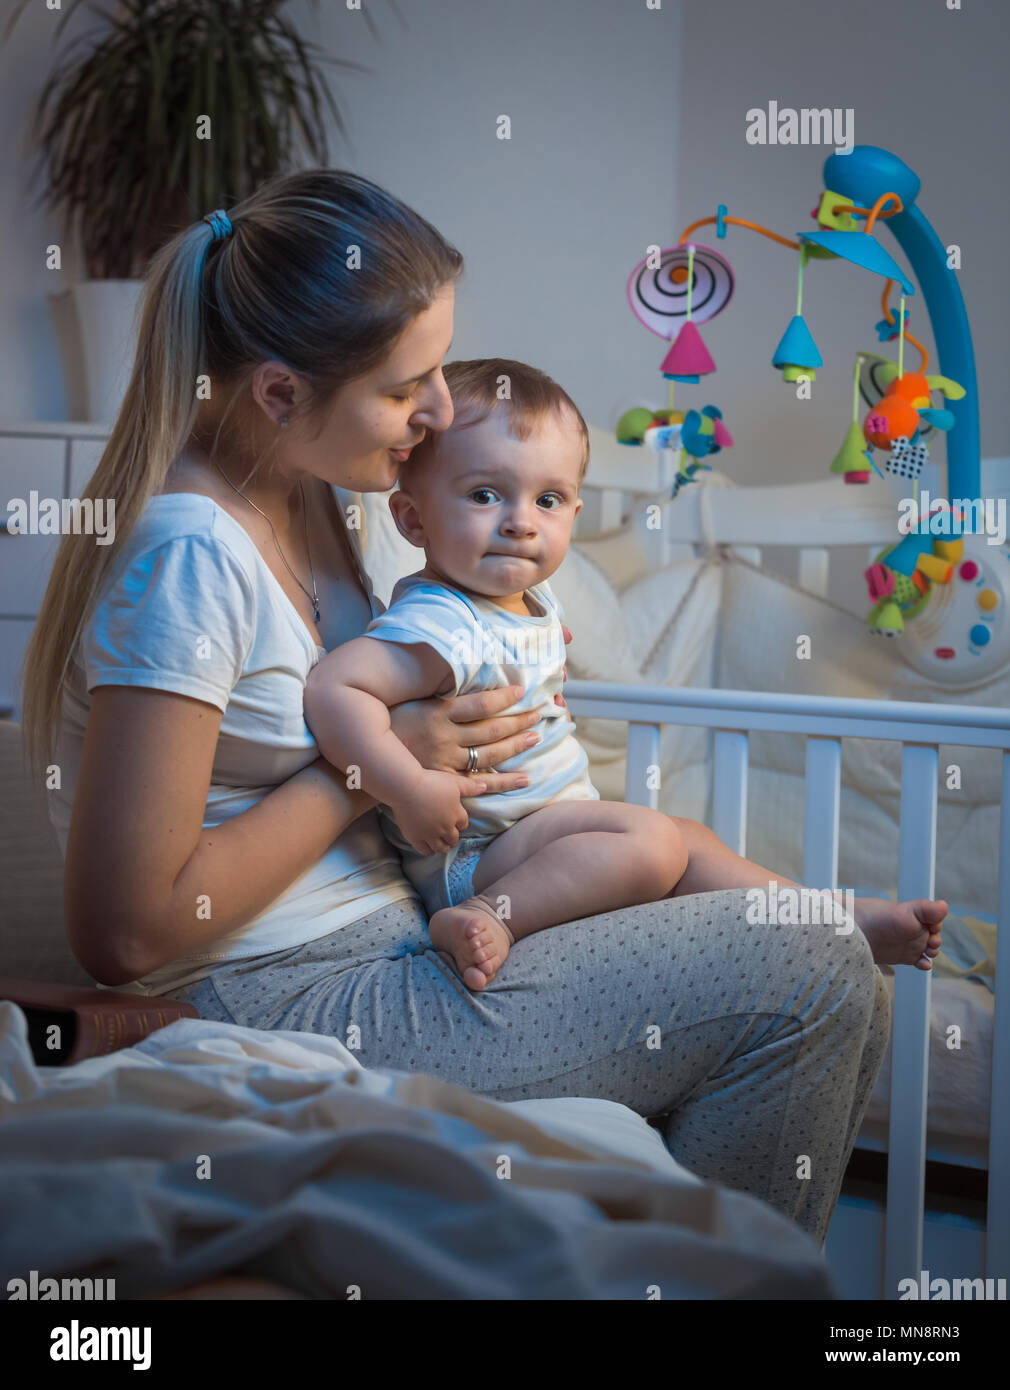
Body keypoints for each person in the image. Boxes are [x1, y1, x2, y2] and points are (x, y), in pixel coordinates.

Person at [21, 168, 907, 1247]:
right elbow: (122, 931)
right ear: (278, 395)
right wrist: (369, 765)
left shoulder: (305, 497)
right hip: (275, 995)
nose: (440, 410)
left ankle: (677, 1265)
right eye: (408, 387)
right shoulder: (192, 555)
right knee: (806, 973)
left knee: (831, 962)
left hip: (402, 938)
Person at [304, 357, 946, 992]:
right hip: (474, 855)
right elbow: (335, 688)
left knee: (687, 839)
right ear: (413, 518)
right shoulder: (440, 623)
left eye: (547, 499)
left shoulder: (529, 604)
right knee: (654, 845)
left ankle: (832, 915)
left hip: (543, 831)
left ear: (572, 516)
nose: (520, 520)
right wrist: (408, 787)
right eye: (484, 494)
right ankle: (482, 918)